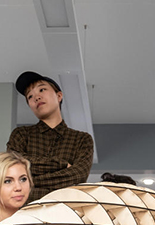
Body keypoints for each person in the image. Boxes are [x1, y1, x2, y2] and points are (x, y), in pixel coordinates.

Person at [7, 71, 94, 202]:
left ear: (59, 96)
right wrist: (62, 165)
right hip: (26, 214)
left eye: (42, 89)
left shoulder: (81, 139)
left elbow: (78, 176)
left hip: (66, 213)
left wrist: (30, 180)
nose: (36, 97)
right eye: (30, 96)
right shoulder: (21, 134)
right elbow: (14, 169)